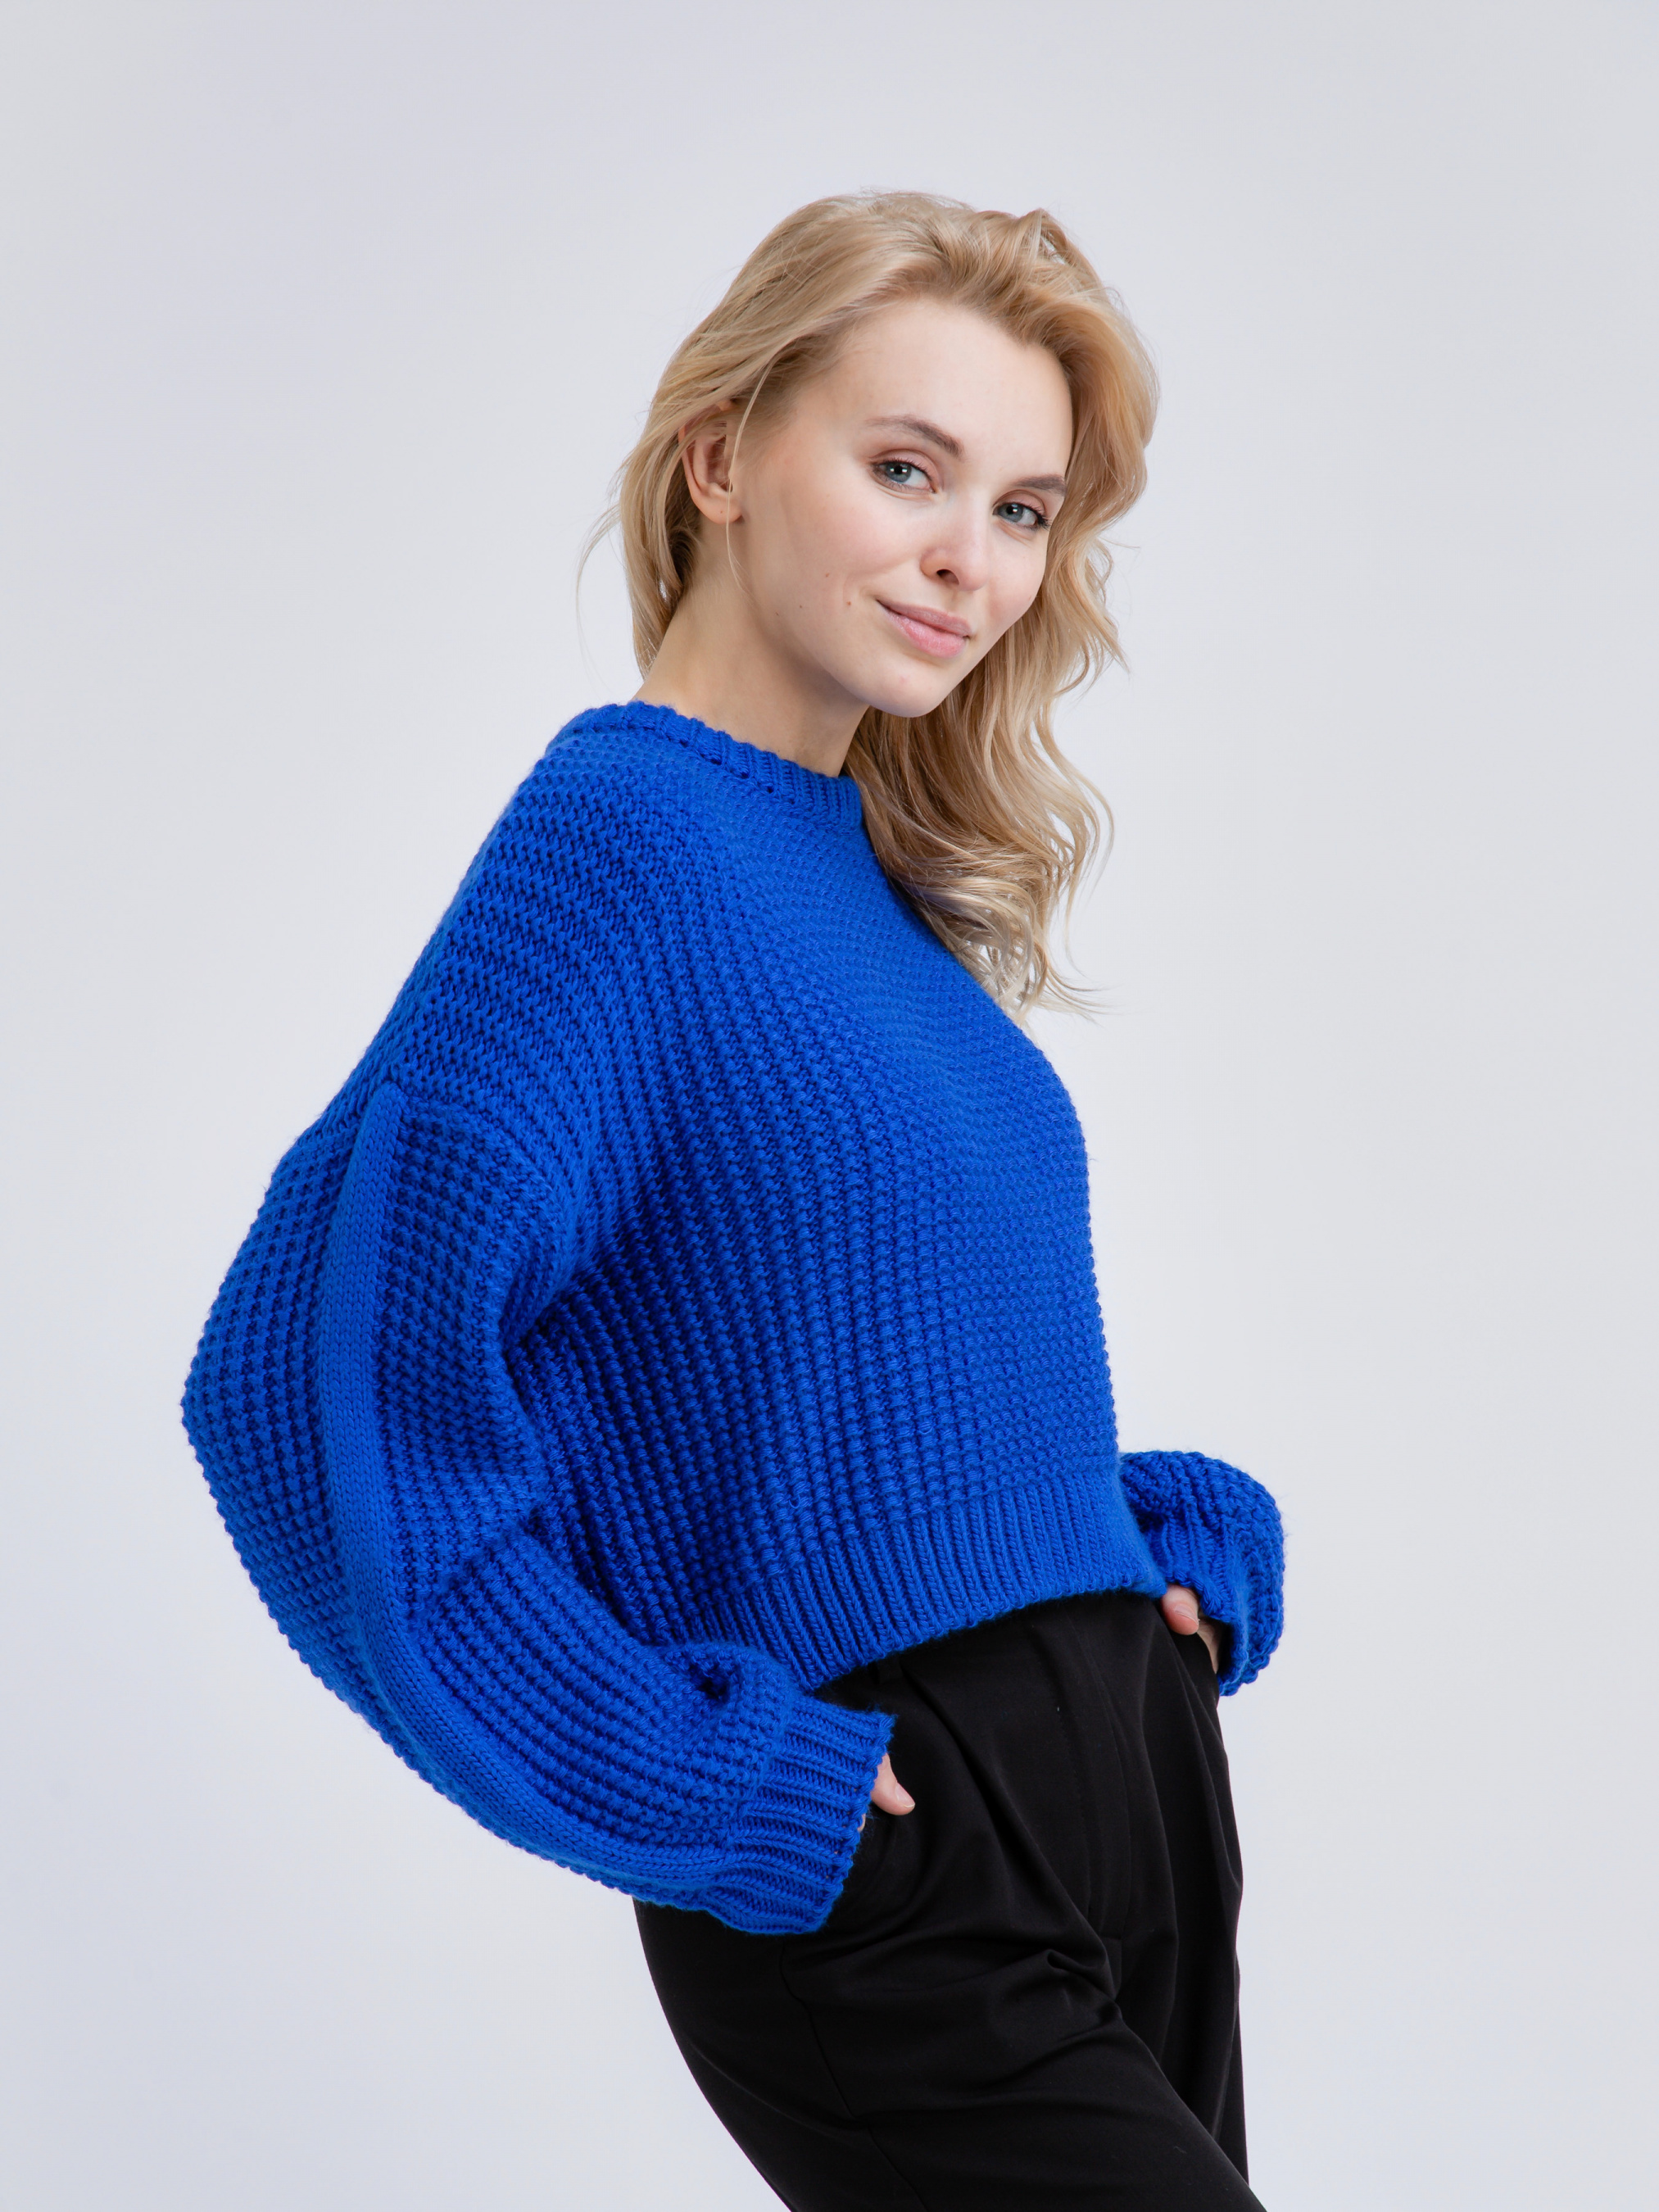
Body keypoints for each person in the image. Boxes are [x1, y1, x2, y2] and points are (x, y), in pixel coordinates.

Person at [183, 191, 1284, 2209]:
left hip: (1121, 1796)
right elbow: (285, 1393)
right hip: (899, 1857)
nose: (967, 559)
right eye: (904, 470)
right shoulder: (615, 844)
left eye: (1021, 511)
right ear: (720, 458)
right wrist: (687, 1773)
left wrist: (1122, 1549)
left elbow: (835, 1386)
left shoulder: (856, 877)